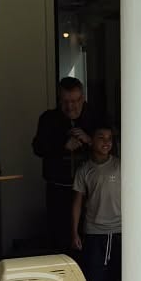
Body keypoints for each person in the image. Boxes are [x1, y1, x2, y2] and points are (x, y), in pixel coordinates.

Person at [32, 78, 96, 255]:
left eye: (75, 101)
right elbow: (37, 148)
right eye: (65, 101)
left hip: (90, 190)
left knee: (90, 240)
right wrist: (62, 146)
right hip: (58, 189)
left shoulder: (94, 117)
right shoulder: (48, 119)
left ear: (83, 98)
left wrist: (89, 140)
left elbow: (111, 147)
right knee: (59, 239)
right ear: (59, 100)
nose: (70, 107)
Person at [71, 124, 121, 281]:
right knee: (94, 274)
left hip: (119, 228)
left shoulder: (120, 165)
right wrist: (74, 232)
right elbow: (77, 202)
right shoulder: (84, 170)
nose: (106, 142)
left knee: (120, 274)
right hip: (94, 230)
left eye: (109, 138)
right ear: (91, 141)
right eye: (101, 137)